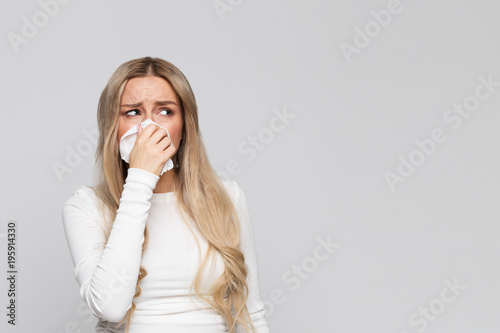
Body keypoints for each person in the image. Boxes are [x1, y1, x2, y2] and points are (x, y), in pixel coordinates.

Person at [62, 57, 270, 333]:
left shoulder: (227, 197)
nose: (149, 127)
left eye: (165, 112)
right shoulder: (86, 206)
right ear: (112, 127)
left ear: (184, 127)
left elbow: (251, 313)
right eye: (133, 112)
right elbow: (110, 307)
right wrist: (140, 178)